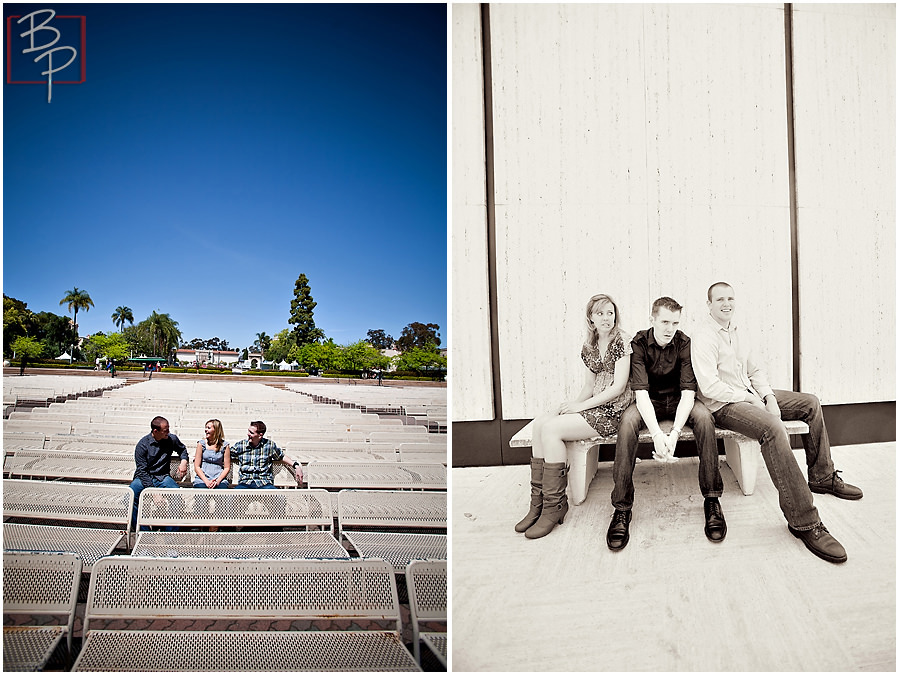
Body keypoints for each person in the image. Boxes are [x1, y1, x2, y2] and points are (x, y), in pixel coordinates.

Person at [691, 282, 862, 564]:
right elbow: (709, 387)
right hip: (724, 405)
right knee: (772, 429)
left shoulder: (738, 330)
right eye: (720, 299)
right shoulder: (704, 336)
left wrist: (768, 397)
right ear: (708, 304)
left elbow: (755, 370)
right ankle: (804, 521)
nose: (726, 303)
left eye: (731, 298)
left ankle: (822, 476)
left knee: (811, 403)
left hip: (750, 394)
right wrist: (750, 399)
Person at [607, 297, 724, 551]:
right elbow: (640, 395)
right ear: (652, 319)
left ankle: (712, 500)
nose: (669, 328)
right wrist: (658, 435)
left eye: (674, 322)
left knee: (705, 418)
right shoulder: (638, 343)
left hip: (679, 401)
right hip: (649, 401)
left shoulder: (684, 343)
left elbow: (688, 394)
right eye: (664, 322)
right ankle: (621, 508)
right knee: (627, 423)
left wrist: (674, 433)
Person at [515, 293, 634, 539]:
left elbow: (618, 387)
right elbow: (589, 385)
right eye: (600, 313)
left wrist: (581, 407)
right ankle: (537, 503)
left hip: (614, 411)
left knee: (552, 430)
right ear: (590, 318)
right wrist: (572, 404)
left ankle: (555, 505)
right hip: (594, 405)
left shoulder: (622, 340)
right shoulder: (589, 346)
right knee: (541, 423)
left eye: (610, 312)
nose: (606, 318)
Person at [129, 416, 189, 527]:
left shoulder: (171, 439)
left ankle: (170, 533)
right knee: (130, 497)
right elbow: (142, 471)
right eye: (165, 431)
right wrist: (153, 492)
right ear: (155, 431)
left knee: (177, 497)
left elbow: (182, 450)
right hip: (144, 478)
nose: (168, 432)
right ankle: (143, 531)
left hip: (163, 477)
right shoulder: (142, 445)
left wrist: (184, 461)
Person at [230, 420, 303, 489]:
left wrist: (296, 466)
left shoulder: (269, 445)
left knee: (280, 499)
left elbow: (281, 456)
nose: (248, 434)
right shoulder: (240, 445)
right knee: (230, 498)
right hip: (245, 483)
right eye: (248, 431)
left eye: (251, 432)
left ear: (260, 435)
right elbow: (226, 455)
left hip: (264, 483)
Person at [193, 419, 231, 489]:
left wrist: (218, 480)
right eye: (206, 427)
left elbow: (227, 467)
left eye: (209, 428)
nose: (206, 430)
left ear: (216, 430)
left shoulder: (225, 446)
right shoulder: (201, 444)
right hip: (202, 479)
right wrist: (206, 481)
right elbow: (197, 466)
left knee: (223, 493)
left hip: (218, 478)